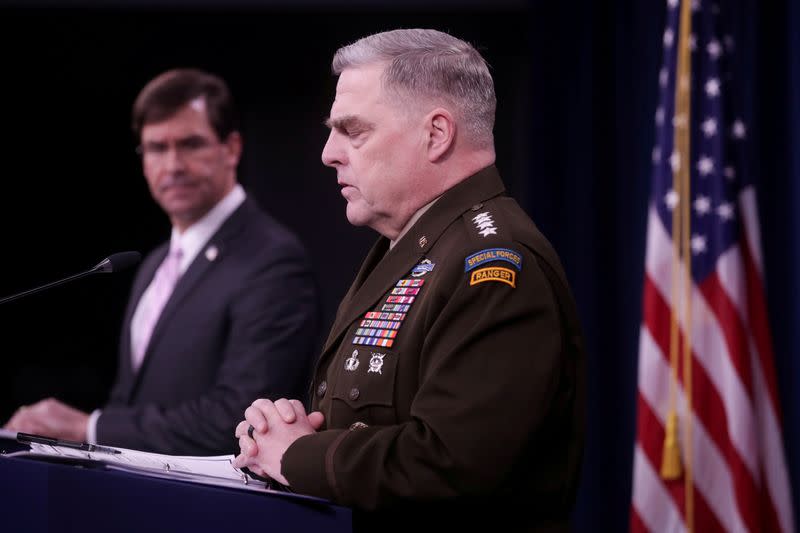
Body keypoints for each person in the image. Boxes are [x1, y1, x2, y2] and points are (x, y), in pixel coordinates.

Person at [232, 29, 586, 531]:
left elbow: (451, 462)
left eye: (353, 131)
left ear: (436, 134)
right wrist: (296, 432)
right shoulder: (418, 245)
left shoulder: (493, 264)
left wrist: (300, 458)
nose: (328, 153)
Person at [4, 68, 320, 456]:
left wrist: (90, 427)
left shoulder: (273, 260)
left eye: (191, 144)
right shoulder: (153, 265)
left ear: (232, 148)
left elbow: (241, 419)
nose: (173, 165)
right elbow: (131, 402)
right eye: (156, 147)